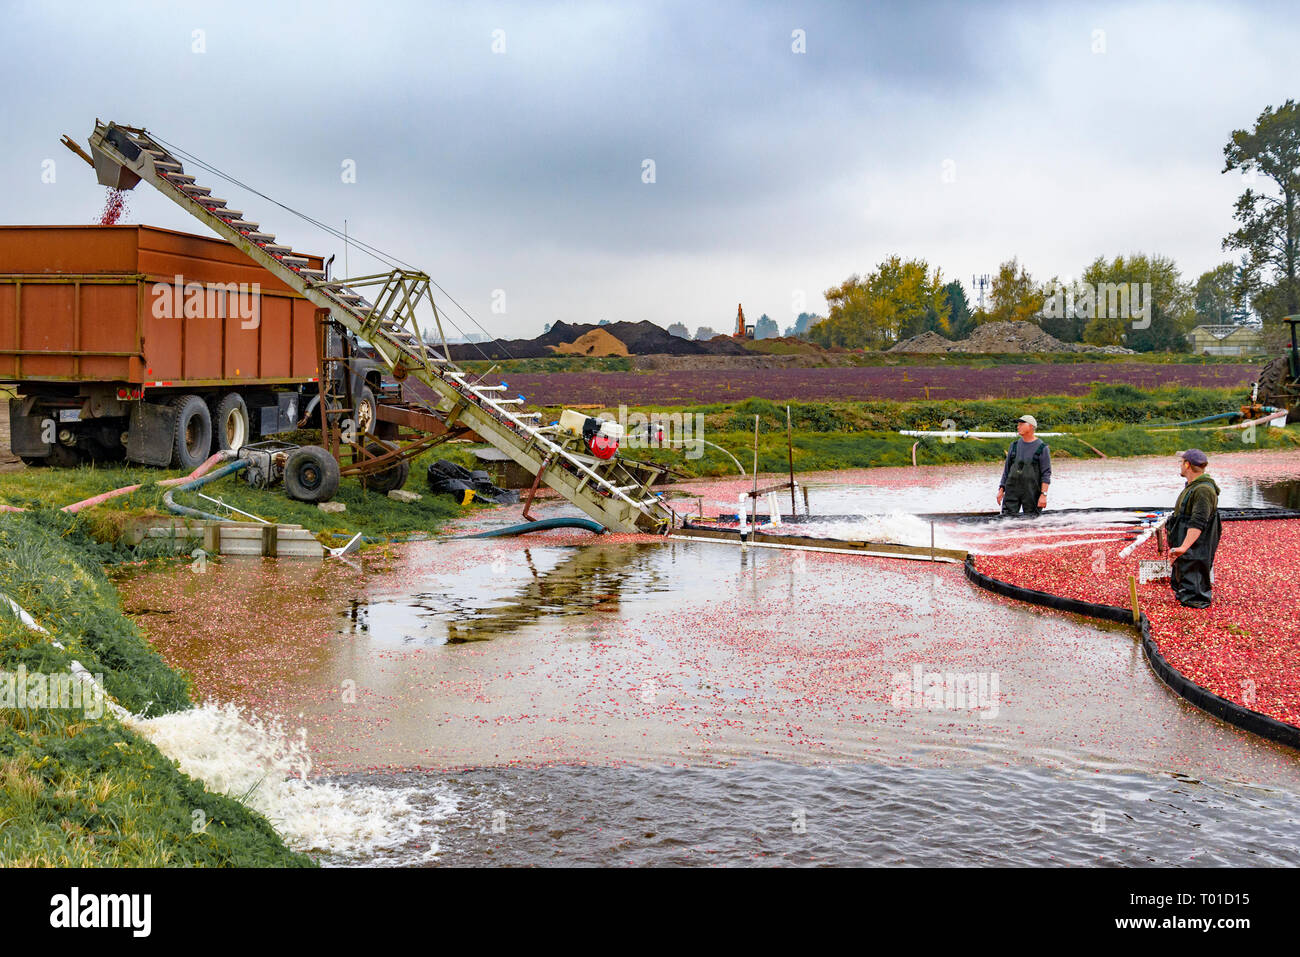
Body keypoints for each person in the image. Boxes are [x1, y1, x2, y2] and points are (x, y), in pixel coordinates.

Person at [1167, 449, 1221, 608]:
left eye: (1181, 462)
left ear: (1187, 464)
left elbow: (1198, 522)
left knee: (1194, 572)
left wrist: (1183, 547)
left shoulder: (1203, 490)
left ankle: (1195, 605)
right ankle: (1185, 599)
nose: (1180, 466)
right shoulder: (1192, 487)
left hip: (1196, 546)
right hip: (1186, 544)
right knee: (1185, 572)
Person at [996, 414, 1051, 516]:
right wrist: (1001, 489)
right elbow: (1007, 470)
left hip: (1032, 492)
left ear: (1031, 426)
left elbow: (1046, 474)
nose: (1018, 426)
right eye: (1018, 424)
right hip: (1011, 491)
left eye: (1021, 424)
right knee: (1006, 521)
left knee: (1032, 523)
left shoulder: (1042, 448)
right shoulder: (1014, 446)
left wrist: (1043, 495)